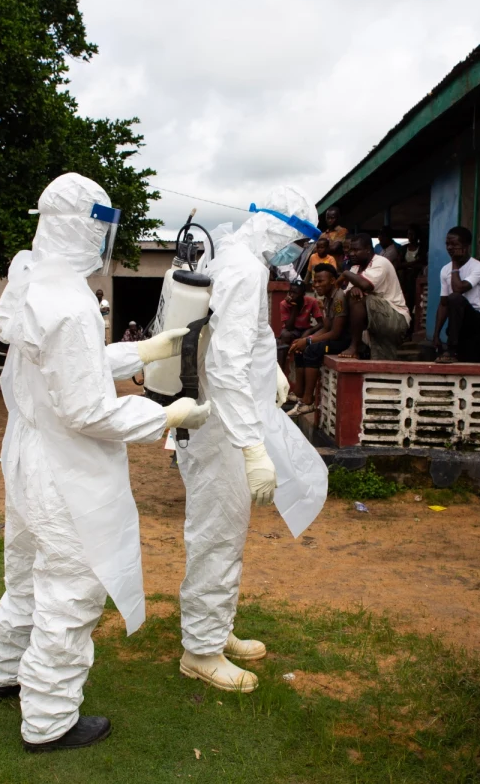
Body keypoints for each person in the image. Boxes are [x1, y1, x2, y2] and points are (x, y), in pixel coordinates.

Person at [0, 172, 207, 752]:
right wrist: (166, 416)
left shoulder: (34, 277)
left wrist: (144, 349)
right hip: (62, 467)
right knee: (71, 585)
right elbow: (87, 409)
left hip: (26, 454)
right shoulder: (69, 303)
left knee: (25, 574)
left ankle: (7, 671)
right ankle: (49, 721)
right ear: (88, 230)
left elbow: (69, 365)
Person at [175, 186, 328, 694]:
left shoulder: (236, 259)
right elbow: (225, 366)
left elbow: (238, 341)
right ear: (285, 231)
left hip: (223, 421)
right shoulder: (245, 270)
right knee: (216, 535)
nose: (297, 255)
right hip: (224, 430)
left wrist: (273, 376)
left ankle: (214, 632)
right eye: (299, 243)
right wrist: (251, 446)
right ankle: (200, 651)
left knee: (224, 532)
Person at [286, 264, 350, 417]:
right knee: (300, 347)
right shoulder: (327, 299)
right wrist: (306, 339)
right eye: (315, 282)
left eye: (321, 281)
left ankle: (308, 402)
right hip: (333, 337)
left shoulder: (339, 299)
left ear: (333, 281)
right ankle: (300, 394)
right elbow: (326, 328)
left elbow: (335, 333)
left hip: (342, 342)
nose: (316, 285)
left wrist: (309, 342)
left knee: (312, 350)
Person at [338, 234, 410, 360]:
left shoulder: (380, 262)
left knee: (358, 299)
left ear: (368, 249)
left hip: (396, 318)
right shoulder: (355, 268)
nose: (351, 253)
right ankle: (353, 344)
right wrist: (353, 287)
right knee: (381, 364)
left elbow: (365, 285)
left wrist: (345, 273)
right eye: (350, 250)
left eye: (356, 250)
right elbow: (348, 293)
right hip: (379, 317)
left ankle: (354, 346)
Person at [431, 226, 480, 364]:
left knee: (455, 297)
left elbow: (459, 289)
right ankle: (452, 347)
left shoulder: (478, 267)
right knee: (451, 300)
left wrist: (455, 263)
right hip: (457, 325)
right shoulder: (445, 270)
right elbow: (444, 303)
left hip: (475, 320)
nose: (450, 248)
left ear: (466, 246)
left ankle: (451, 349)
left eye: (454, 244)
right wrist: (436, 334)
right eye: (447, 244)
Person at [276, 280, 321, 375]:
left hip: (306, 329)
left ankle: (304, 365)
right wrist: (294, 307)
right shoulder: (284, 304)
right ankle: (280, 371)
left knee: (311, 339)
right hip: (292, 330)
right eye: (290, 292)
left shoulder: (311, 301)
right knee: (284, 336)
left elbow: (321, 323)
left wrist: (310, 330)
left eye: (295, 293)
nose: (291, 295)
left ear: (303, 294)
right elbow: (288, 327)